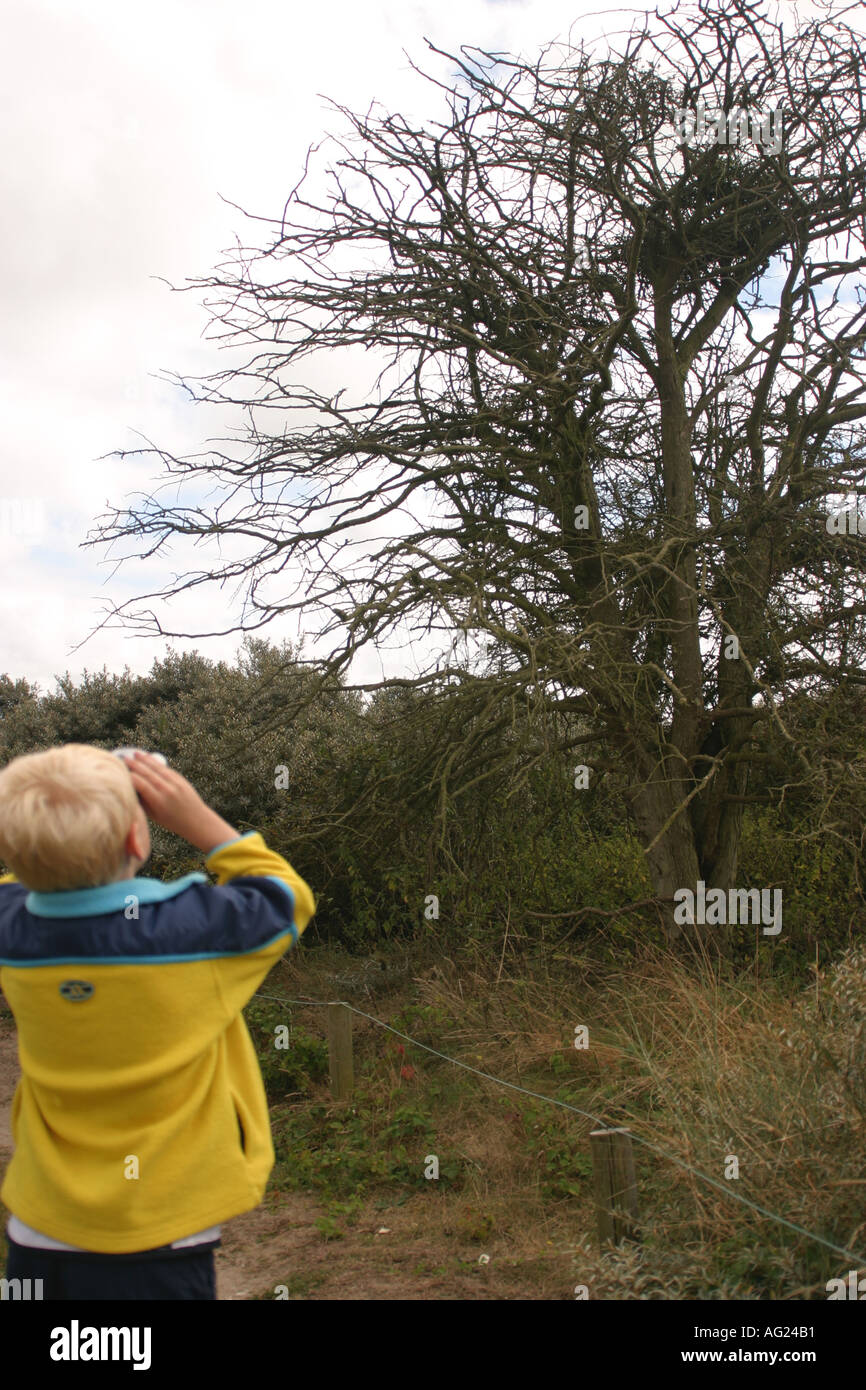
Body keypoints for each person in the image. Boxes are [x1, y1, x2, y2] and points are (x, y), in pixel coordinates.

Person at [0, 745, 315, 1300]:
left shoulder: (13, 934)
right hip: (164, 1237)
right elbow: (285, 896)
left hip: (40, 1227)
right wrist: (194, 816)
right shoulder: (190, 934)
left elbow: (24, 875)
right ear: (137, 840)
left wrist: (48, 819)